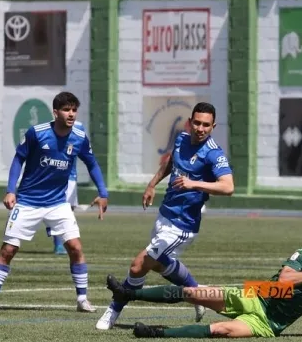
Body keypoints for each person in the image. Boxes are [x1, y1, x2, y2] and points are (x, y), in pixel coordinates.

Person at [95, 102, 234, 330]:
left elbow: (228, 187)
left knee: (139, 265)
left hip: (182, 225)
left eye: (206, 125)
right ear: (190, 122)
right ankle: (197, 295)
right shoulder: (181, 139)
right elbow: (171, 163)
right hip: (165, 214)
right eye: (197, 123)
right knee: (159, 264)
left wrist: (194, 184)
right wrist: (152, 184)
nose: (200, 128)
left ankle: (114, 308)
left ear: (213, 127)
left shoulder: (213, 154)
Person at [0, 92, 108, 313]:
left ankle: (82, 299)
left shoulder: (79, 137)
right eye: (66, 110)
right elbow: (19, 158)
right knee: (8, 250)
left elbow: (92, 164)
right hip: (28, 201)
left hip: (58, 203)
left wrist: (103, 192)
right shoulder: (37, 133)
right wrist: (11, 191)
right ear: (55, 112)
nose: (71, 114)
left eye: (74, 110)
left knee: (75, 247)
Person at [103, 240, 302, 339]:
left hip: (269, 323)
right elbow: (283, 282)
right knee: (194, 293)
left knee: (222, 330)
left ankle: (155, 333)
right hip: (258, 293)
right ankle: (128, 293)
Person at [49, 120, 82, 256]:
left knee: (69, 212)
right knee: (56, 210)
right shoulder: (51, 126)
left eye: (73, 110)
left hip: (71, 176)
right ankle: (58, 245)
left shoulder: (79, 126)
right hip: (56, 175)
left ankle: (65, 242)